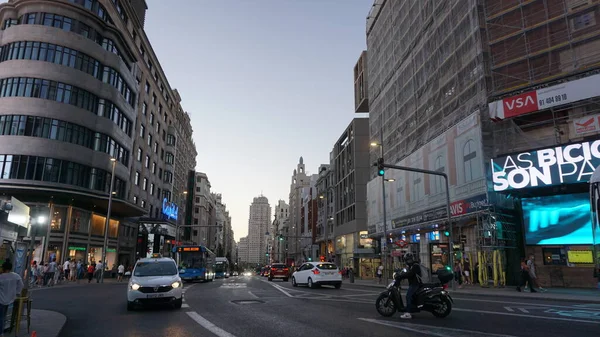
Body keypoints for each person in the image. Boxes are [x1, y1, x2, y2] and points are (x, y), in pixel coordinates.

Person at [0, 259, 24, 337]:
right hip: (10, 298)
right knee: (3, 315)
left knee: (1, 316)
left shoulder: (1, 277)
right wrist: (17, 293)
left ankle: (1, 332)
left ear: (3, 268)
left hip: (1, 299)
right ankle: (1, 331)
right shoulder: (15, 275)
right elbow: (21, 285)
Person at [397, 253, 422, 319]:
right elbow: (408, 273)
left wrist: (401, 276)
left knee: (408, 296)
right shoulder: (412, 266)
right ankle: (412, 308)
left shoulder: (415, 265)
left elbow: (410, 274)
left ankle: (408, 313)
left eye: (408, 260)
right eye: (407, 260)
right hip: (414, 283)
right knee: (412, 296)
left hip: (415, 284)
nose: (408, 261)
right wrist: (401, 274)